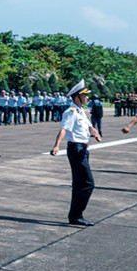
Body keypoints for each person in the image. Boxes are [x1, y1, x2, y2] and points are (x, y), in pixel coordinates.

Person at [49, 80, 102, 226]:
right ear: (77, 97)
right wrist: (56, 146)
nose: (87, 98)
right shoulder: (70, 112)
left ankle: (75, 216)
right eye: (84, 95)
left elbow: (89, 126)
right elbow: (64, 129)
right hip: (76, 150)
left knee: (80, 184)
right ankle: (76, 215)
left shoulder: (80, 111)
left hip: (83, 149)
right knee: (87, 183)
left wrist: (95, 133)